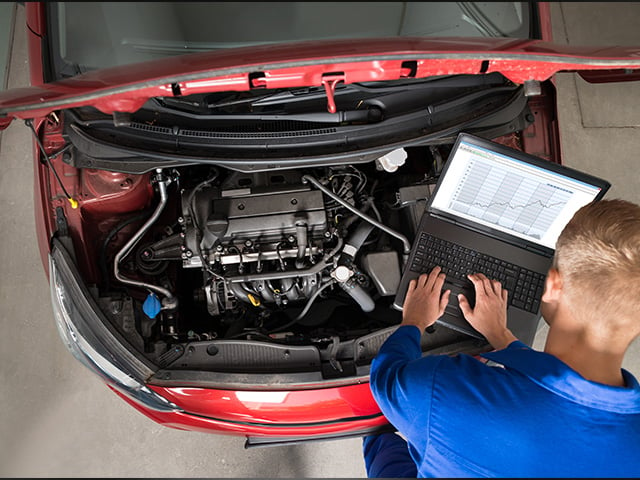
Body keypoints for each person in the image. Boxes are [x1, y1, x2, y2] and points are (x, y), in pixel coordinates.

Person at [364, 199, 640, 478]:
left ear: (554, 285)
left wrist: (414, 321)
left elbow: (388, 379)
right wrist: (503, 338)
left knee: (376, 432)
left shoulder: (444, 393)